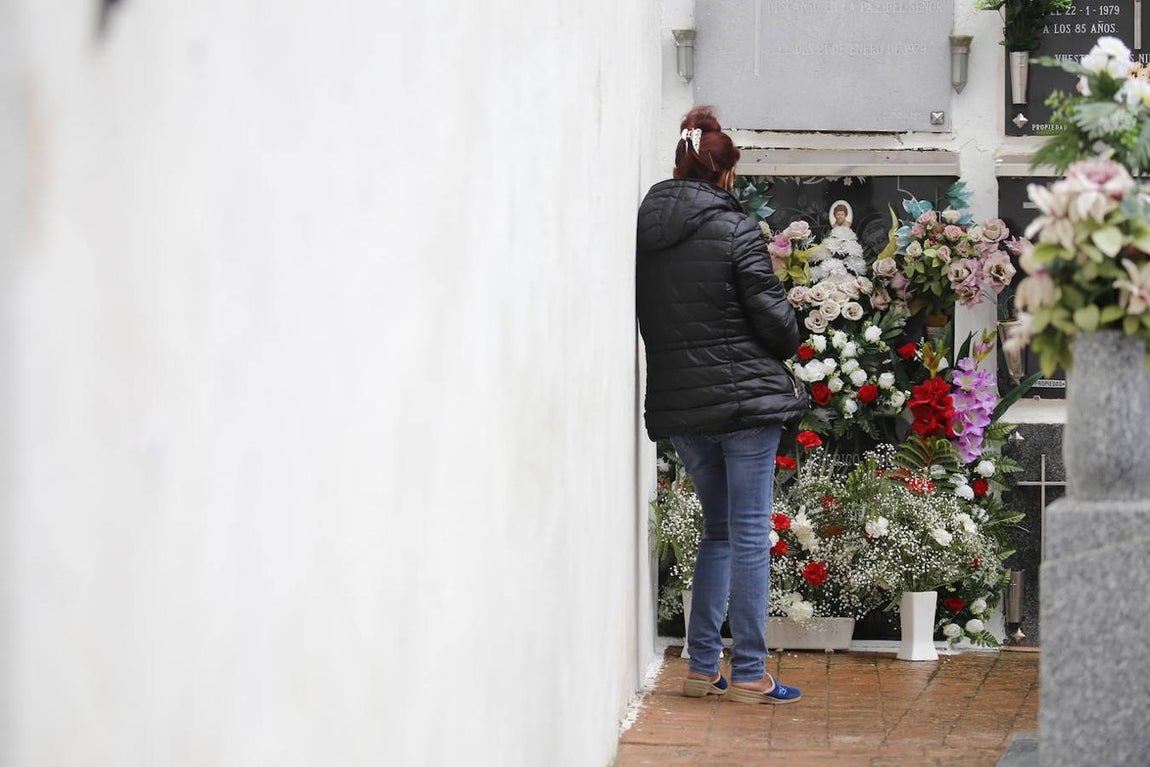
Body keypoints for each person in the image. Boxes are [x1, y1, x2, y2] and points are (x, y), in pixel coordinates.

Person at [635, 106, 808, 705]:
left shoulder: (647, 231)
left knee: (719, 533)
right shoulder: (735, 230)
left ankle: (702, 665)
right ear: (725, 174)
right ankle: (753, 670)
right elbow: (778, 326)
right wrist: (796, 315)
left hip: (684, 409)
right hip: (745, 408)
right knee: (750, 534)